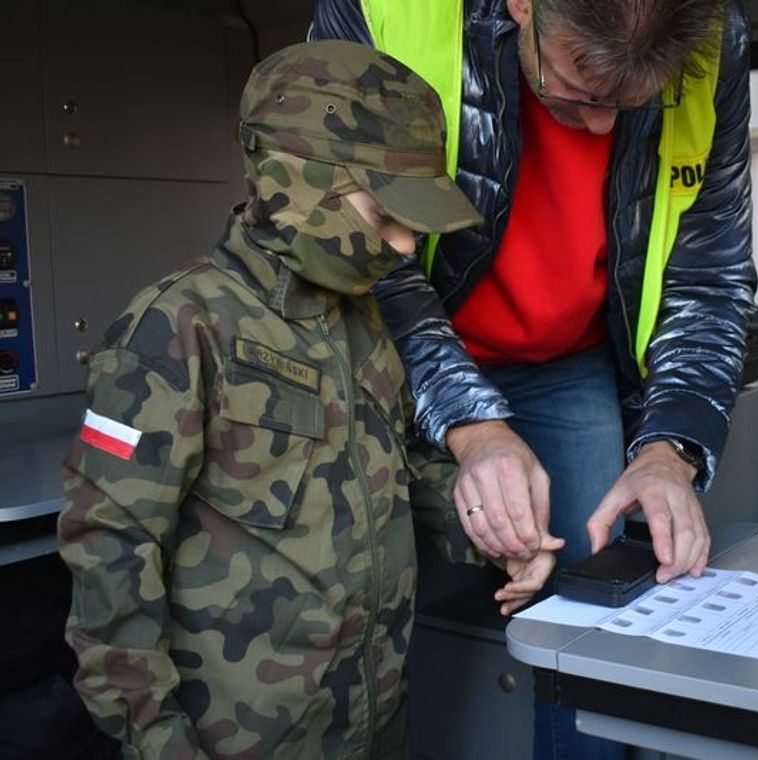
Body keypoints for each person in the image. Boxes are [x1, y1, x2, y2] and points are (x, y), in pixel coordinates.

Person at [56, 39, 560, 760]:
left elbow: (405, 470)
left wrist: (498, 536)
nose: (404, 242)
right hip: (240, 740)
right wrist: (158, 742)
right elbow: (110, 551)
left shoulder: (363, 322)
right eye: (383, 215)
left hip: (373, 718)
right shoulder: (177, 327)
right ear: (294, 183)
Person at [311, 0, 757, 756]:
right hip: (387, 345)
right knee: (345, 588)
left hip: (567, 362)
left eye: (635, 106)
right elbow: (363, 253)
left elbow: (708, 280)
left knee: (597, 604)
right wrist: (476, 427)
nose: (602, 131)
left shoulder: (716, 39)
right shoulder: (383, 11)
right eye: (580, 94)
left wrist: (667, 452)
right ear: (523, 5)